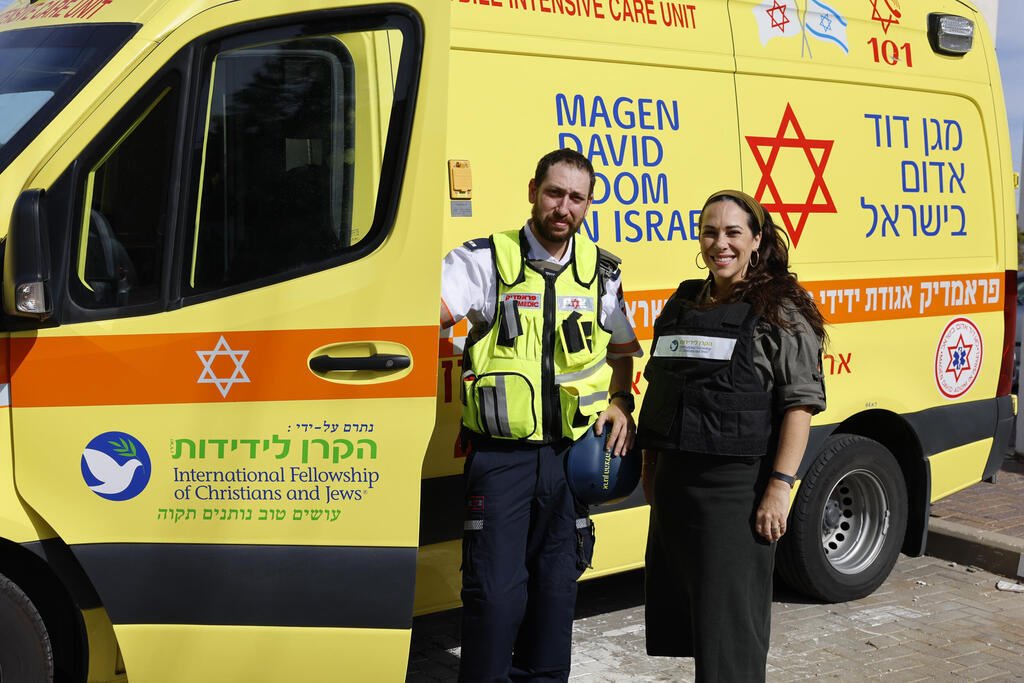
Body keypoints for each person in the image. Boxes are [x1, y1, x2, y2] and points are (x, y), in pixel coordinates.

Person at [440, 148, 642, 682]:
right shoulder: (486, 259)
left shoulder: (601, 273)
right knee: (494, 595)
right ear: (533, 191)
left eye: (577, 198)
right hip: (499, 460)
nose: (564, 207)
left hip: (569, 461)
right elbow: (426, 308)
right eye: (555, 193)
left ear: (589, 203)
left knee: (556, 593)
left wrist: (622, 401)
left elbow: (623, 352)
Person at [637, 189, 826, 682]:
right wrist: (651, 468)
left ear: (757, 239)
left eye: (733, 232)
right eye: (709, 231)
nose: (720, 243)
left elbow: (800, 405)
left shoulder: (780, 309)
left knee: (731, 640)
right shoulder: (683, 302)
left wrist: (779, 489)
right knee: (694, 626)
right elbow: (664, 388)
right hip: (678, 489)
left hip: (735, 495)